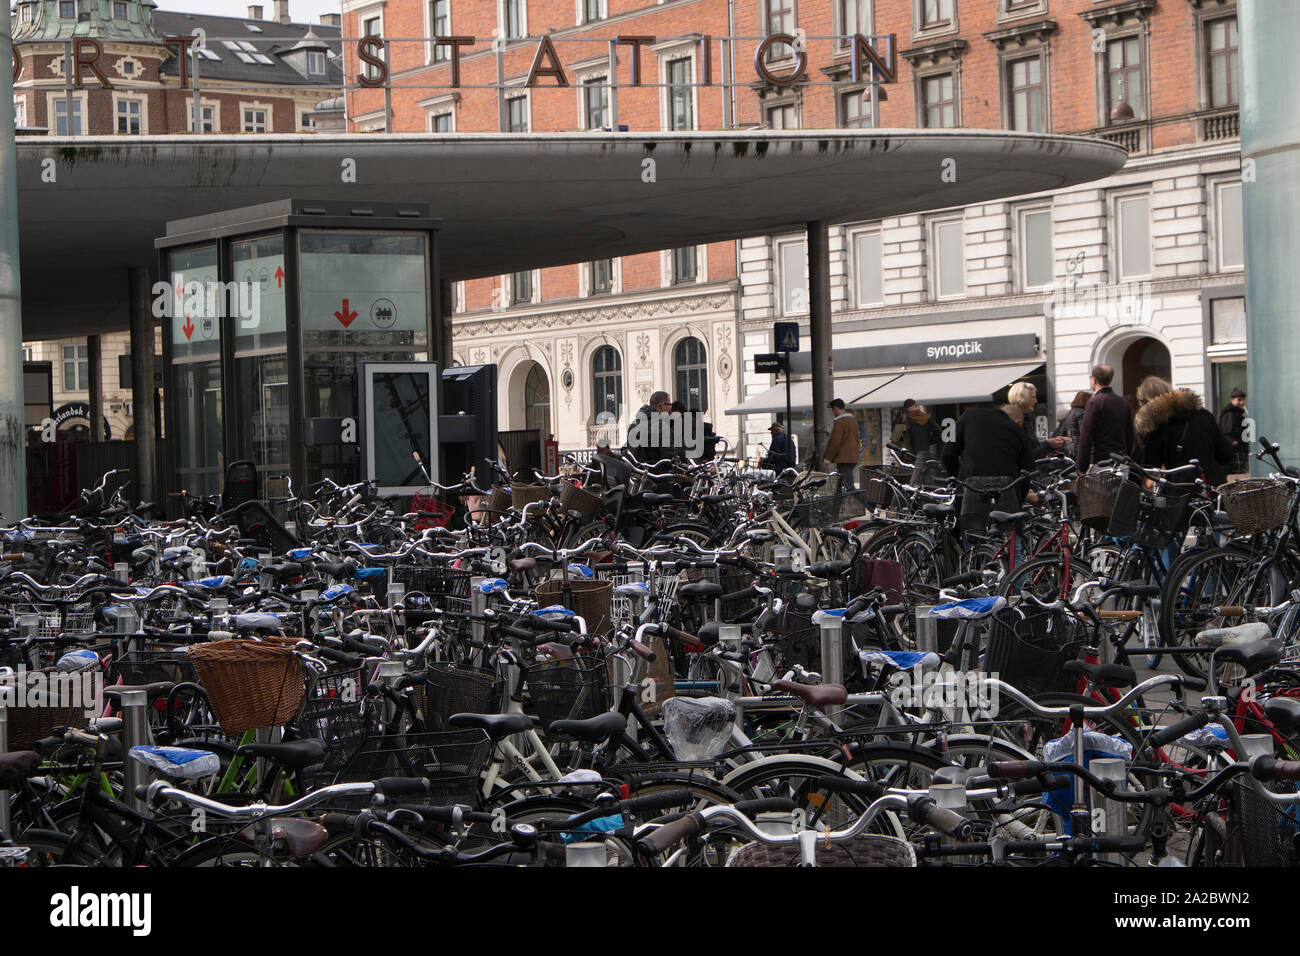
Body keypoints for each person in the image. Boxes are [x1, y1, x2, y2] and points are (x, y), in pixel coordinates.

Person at [1134, 376, 1234, 488]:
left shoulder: (1159, 426)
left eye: (1140, 403)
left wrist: (1143, 434)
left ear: (1146, 403)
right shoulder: (1203, 414)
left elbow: (1148, 465)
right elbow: (1226, 454)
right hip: (1212, 487)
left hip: (1180, 492)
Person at [941, 402, 1037, 504]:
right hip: (1006, 493)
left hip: (970, 489)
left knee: (969, 518)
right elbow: (1026, 472)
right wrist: (1019, 499)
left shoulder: (969, 415)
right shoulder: (1020, 432)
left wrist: (958, 480)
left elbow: (947, 453)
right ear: (1017, 422)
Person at [1076, 365, 1134, 472]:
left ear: (1094, 380)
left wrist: (1081, 466)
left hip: (1100, 461)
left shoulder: (1094, 402)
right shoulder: (1123, 402)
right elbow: (1130, 434)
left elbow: (1086, 437)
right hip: (1120, 460)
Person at [1007, 381, 1067, 458]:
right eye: (1033, 397)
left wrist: (1052, 443)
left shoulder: (1025, 419)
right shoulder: (1016, 421)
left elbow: (1033, 447)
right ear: (1022, 399)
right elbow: (1025, 457)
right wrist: (1048, 444)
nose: (1036, 401)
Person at [821, 398, 862, 499]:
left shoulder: (840, 422)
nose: (833, 412)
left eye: (833, 410)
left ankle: (869, 505)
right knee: (839, 488)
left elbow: (835, 442)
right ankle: (834, 513)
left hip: (844, 459)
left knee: (850, 487)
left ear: (836, 408)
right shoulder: (852, 421)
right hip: (852, 458)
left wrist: (827, 459)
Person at [626, 389, 671, 467]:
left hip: (638, 471)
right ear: (661, 405)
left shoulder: (634, 424)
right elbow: (668, 454)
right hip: (656, 473)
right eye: (669, 404)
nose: (670, 408)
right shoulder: (660, 425)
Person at [1219, 387, 1248, 474]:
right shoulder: (1230, 413)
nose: (1242, 402)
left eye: (1243, 400)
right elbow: (1228, 431)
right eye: (1239, 400)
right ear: (1232, 400)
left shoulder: (1237, 413)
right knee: (1236, 474)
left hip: (1237, 448)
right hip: (1234, 449)